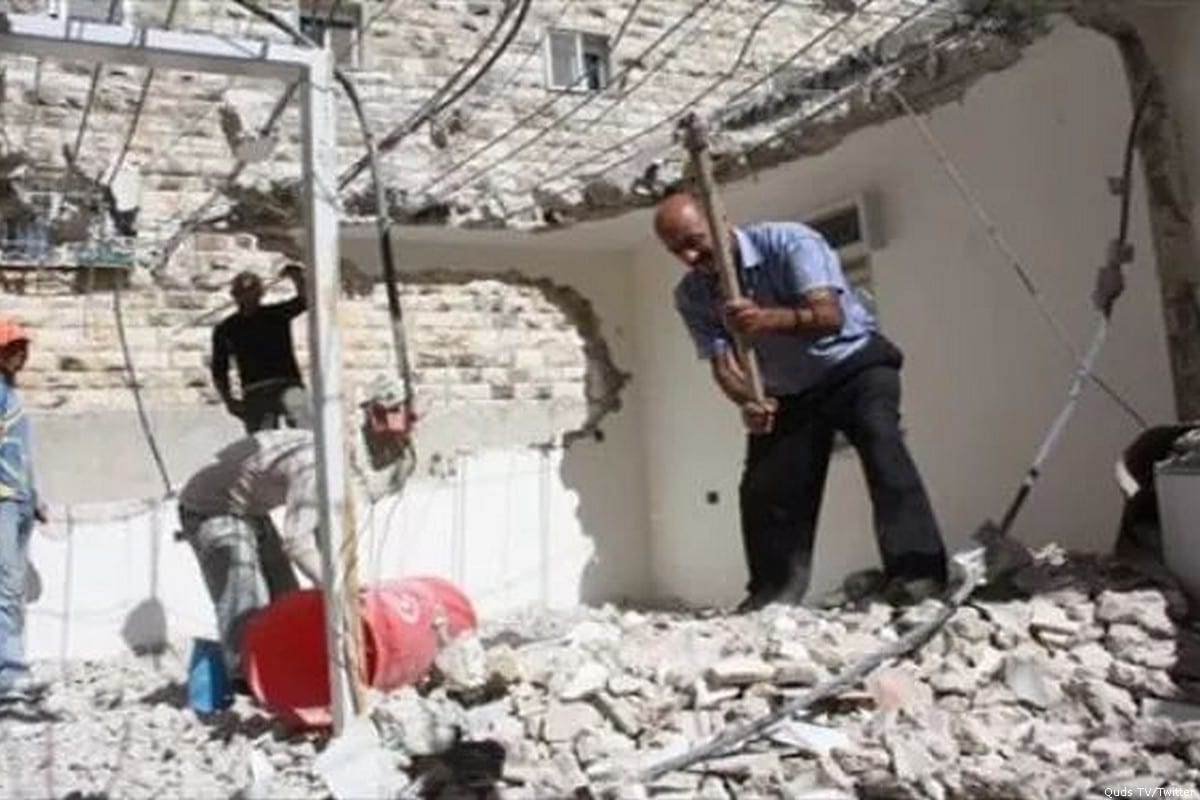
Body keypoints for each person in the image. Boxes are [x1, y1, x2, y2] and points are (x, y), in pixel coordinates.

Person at [655, 191, 947, 611]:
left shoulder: (791, 242)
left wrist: (764, 319)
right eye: (676, 249)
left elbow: (829, 317)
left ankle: (917, 575)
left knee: (882, 445)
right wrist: (749, 401)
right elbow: (723, 366)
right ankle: (772, 594)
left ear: (722, 219)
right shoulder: (692, 295)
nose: (689, 255)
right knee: (764, 488)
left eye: (695, 239)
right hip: (788, 393)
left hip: (853, 367)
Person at [177, 429, 324, 676]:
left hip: (249, 507)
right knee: (246, 599)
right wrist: (331, 585)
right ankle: (247, 676)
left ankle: (285, 668)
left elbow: (322, 527)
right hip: (209, 506)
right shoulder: (313, 464)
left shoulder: (325, 453)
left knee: (285, 596)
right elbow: (298, 542)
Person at [0, 319, 47, 701]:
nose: (20, 355)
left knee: (11, 590)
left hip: (17, 501)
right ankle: (8, 672)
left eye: (22, 347)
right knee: (5, 588)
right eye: (12, 348)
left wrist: (33, 496)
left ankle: (11, 668)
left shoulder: (10, 395)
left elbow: (19, 455)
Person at [211, 265, 311, 433]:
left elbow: (305, 301)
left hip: (287, 383)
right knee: (263, 442)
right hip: (256, 389)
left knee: (306, 432)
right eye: (243, 293)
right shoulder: (227, 328)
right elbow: (219, 368)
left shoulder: (276, 314)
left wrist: (297, 278)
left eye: (252, 292)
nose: (249, 297)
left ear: (261, 294)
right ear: (234, 296)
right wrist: (229, 400)